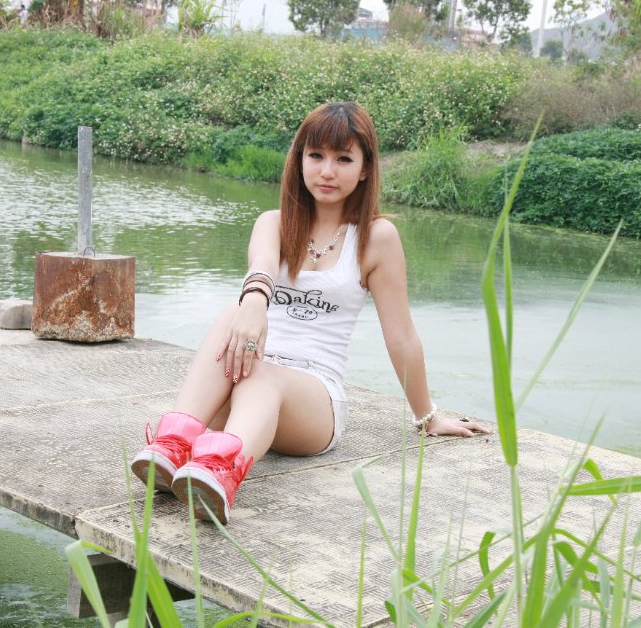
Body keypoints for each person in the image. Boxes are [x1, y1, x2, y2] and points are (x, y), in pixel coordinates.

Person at [131, 102, 489, 524]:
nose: (327, 171)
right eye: (316, 155)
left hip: (313, 405)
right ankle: (175, 445)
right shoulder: (273, 222)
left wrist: (427, 417)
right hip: (244, 382)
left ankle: (222, 470)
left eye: (343, 159)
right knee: (235, 313)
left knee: (262, 374)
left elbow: (402, 335)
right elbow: (262, 265)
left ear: (365, 169)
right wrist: (254, 302)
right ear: (299, 159)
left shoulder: (377, 238)